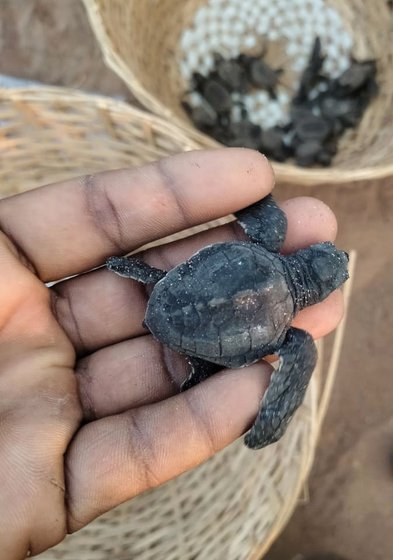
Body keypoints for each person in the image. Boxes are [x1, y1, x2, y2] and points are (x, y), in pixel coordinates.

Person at [0, 148, 344, 558]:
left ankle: (150, 280)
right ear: (317, 295)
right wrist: (271, 421)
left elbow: (255, 203)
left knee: (247, 189)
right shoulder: (293, 338)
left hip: (170, 291)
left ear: (304, 256)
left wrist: (245, 188)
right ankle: (191, 355)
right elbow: (294, 374)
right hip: (204, 334)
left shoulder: (269, 237)